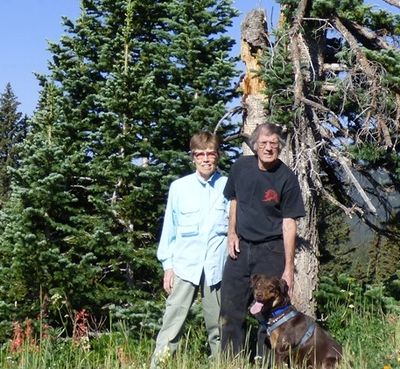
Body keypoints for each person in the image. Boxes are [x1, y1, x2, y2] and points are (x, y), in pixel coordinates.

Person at [220, 122, 305, 358]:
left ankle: (265, 363)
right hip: (241, 248)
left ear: (280, 147)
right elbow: (234, 200)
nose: (268, 148)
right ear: (255, 145)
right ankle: (230, 362)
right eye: (264, 143)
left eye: (274, 144)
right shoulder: (240, 167)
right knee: (230, 310)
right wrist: (232, 233)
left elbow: (289, 222)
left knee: (267, 316)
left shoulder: (286, 178)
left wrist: (288, 268)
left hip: (271, 250)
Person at [151, 132, 229, 368]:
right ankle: (160, 364)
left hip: (217, 268)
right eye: (200, 154)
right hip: (185, 266)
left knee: (218, 327)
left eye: (211, 153)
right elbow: (170, 229)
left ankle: (221, 365)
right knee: (172, 323)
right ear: (193, 157)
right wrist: (168, 266)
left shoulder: (228, 186)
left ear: (218, 156)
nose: (206, 159)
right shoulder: (179, 188)